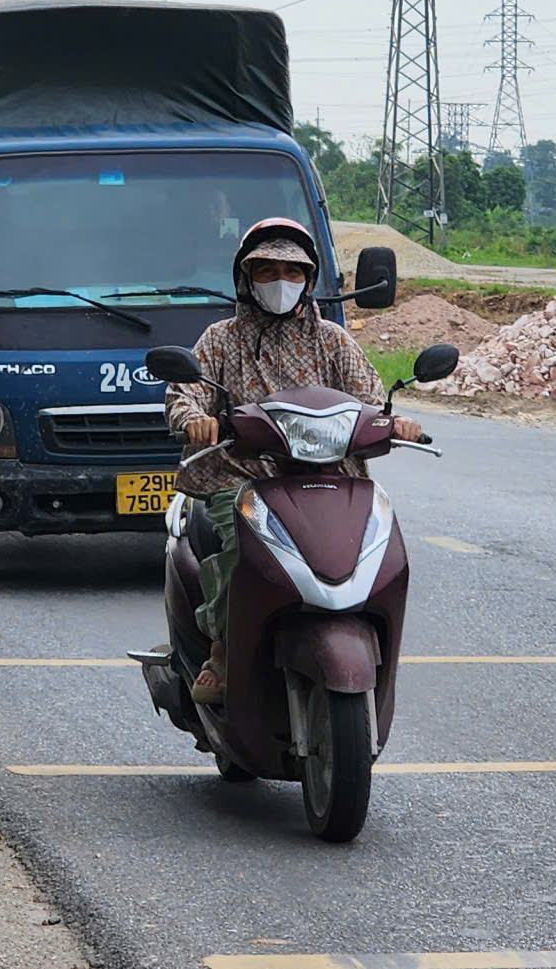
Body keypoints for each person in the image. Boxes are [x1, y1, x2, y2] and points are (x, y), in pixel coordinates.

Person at [162, 218, 420, 706]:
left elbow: (370, 400)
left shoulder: (332, 341)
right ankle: (221, 647)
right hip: (240, 478)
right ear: (245, 277)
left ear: (309, 279)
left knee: (378, 542)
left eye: (292, 270)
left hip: (327, 479)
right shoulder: (220, 340)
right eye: (267, 270)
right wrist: (194, 417)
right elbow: (184, 395)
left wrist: (397, 422)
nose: (281, 280)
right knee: (238, 548)